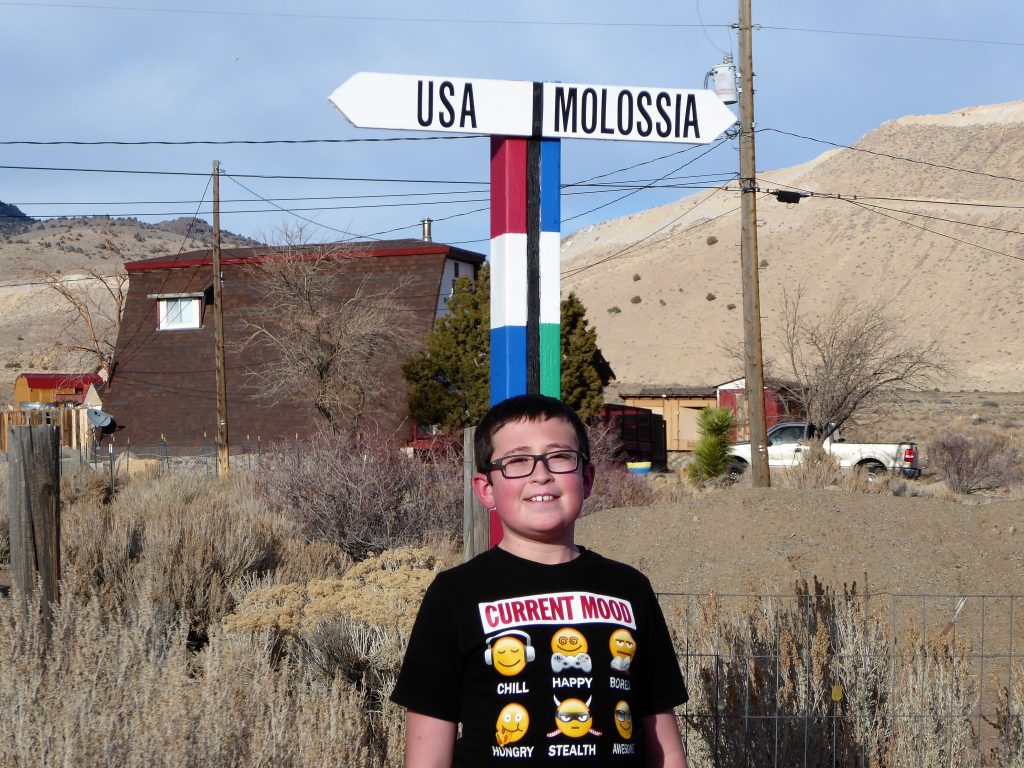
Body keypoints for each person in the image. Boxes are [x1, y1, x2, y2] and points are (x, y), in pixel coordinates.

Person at [391, 394, 689, 767]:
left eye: (560, 457)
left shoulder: (630, 589)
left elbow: (665, 746)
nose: (540, 474)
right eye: (517, 461)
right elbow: (427, 755)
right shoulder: (454, 594)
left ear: (587, 477)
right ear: (486, 489)